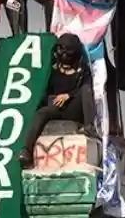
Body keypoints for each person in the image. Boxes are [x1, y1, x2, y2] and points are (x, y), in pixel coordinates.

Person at [19, 33, 96, 168]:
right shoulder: (51, 71)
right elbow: (43, 92)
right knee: (42, 112)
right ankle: (26, 150)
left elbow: (89, 90)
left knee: (86, 90)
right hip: (56, 108)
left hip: (74, 108)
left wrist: (69, 95)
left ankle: (89, 127)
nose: (65, 54)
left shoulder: (83, 71)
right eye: (62, 49)